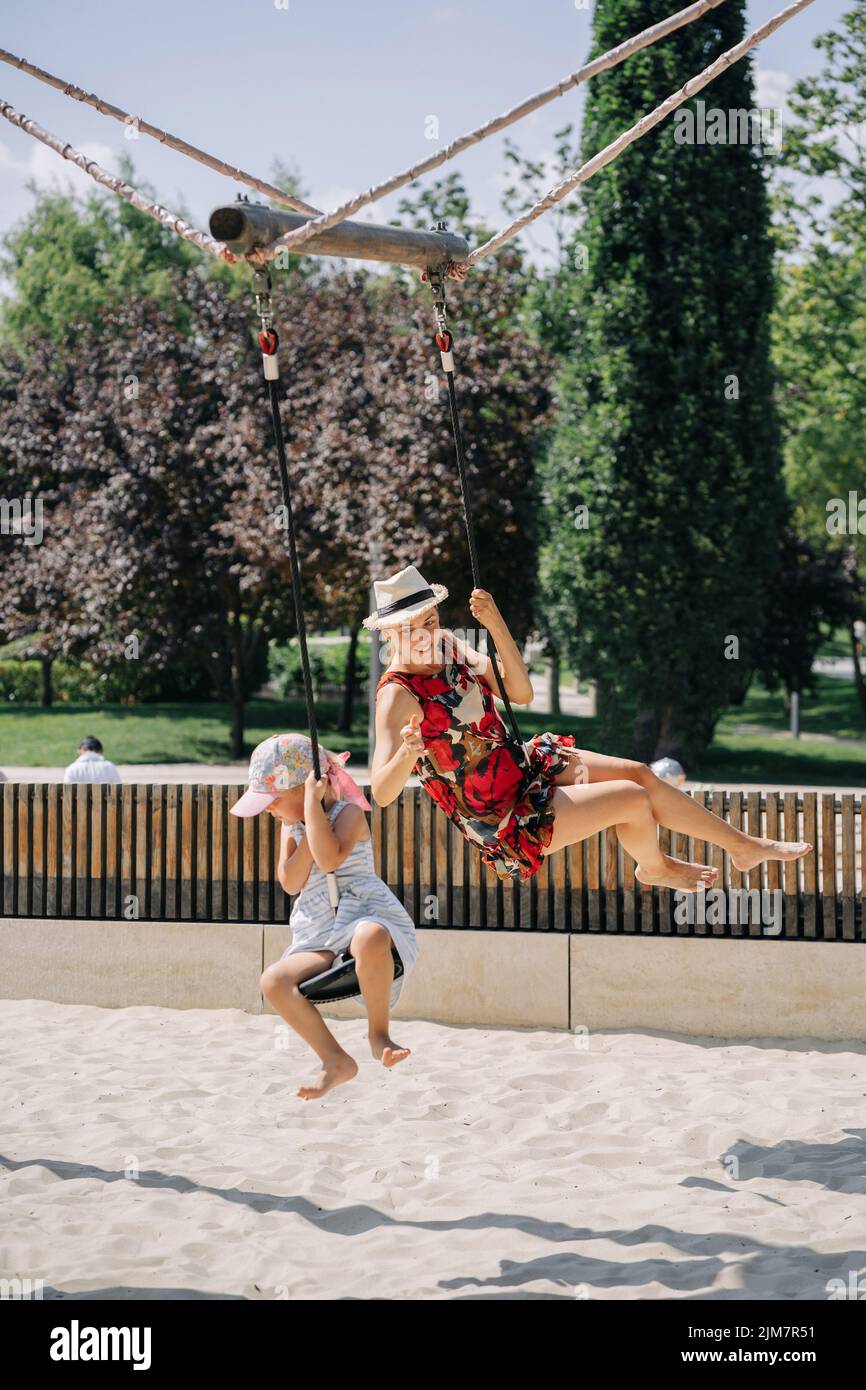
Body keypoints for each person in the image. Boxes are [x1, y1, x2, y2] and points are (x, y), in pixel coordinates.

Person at [369, 564, 812, 892]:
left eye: (430, 621)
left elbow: (520, 693)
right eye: (409, 629)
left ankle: (742, 846)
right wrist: (409, 752)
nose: (424, 635)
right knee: (632, 799)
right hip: (506, 818)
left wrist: (497, 625)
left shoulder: (449, 646)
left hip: (524, 765)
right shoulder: (397, 694)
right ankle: (655, 867)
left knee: (640, 773)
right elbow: (382, 793)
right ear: (389, 636)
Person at [231, 733, 419, 1101]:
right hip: (319, 930)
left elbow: (330, 858)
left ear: (306, 789)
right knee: (273, 981)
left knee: (370, 937)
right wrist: (304, 821)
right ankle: (334, 1059)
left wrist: (313, 811)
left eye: (272, 799)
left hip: (363, 914)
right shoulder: (291, 827)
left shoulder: (348, 813)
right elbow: (291, 882)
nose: (267, 809)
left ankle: (378, 1034)